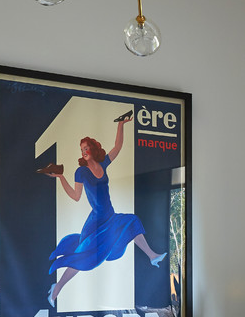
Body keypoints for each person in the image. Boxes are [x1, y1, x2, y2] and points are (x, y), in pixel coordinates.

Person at [45, 114, 166, 306]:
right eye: (82, 149)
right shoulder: (81, 172)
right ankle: (57, 288)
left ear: (93, 149)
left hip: (110, 216)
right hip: (95, 222)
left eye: (86, 148)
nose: (84, 151)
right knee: (84, 257)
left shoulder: (103, 164)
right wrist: (61, 178)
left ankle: (152, 255)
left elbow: (117, 147)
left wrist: (121, 124)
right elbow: (76, 196)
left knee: (133, 221)